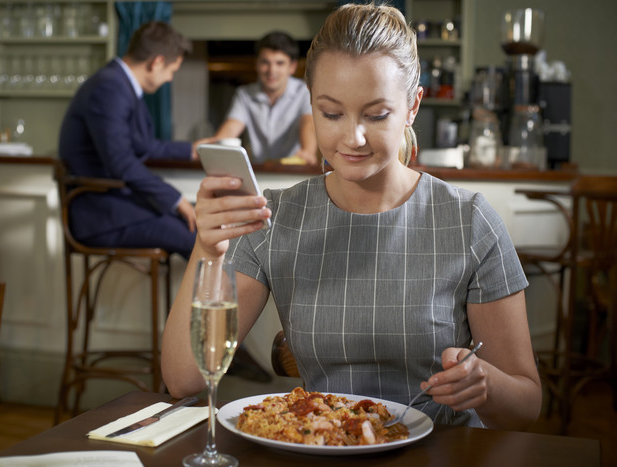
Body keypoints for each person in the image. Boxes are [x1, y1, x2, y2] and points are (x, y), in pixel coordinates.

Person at [162, 3, 542, 430]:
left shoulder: (469, 220)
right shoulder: (275, 215)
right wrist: (206, 248)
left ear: (413, 106)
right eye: (330, 113)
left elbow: (527, 405)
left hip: (441, 452)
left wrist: (485, 383)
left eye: (376, 115)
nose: (353, 137)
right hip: (320, 445)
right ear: (311, 105)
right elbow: (183, 379)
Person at [59, 21, 214, 259]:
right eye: (172, 71)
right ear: (157, 62)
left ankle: (204, 297)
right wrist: (175, 199)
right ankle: (212, 298)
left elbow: (140, 144)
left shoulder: (119, 84)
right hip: (100, 215)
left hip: (113, 205)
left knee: (201, 231)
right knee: (199, 238)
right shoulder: (110, 87)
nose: (170, 79)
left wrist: (190, 150)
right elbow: (120, 161)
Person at [214, 31, 318, 165]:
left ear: (292, 67)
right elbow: (230, 128)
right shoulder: (244, 94)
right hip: (259, 173)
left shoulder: (305, 92)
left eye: (279, 63)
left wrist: (308, 152)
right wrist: (214, 146)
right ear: (256, 64)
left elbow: (308, 124)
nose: (271, 70)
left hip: (293, 172)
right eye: (265, 62)